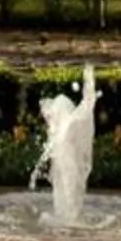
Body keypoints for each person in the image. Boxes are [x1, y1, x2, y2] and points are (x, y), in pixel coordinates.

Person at [34, 65, 97, 223]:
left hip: (70, 165)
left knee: (69, 192)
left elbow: (88, 103)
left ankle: (70, 220)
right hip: (63, 166)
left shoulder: (70, 122)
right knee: (62, 191)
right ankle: (65, 218)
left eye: (55, 111)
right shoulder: (61, 125)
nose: (52, 117)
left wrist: (89, 79)